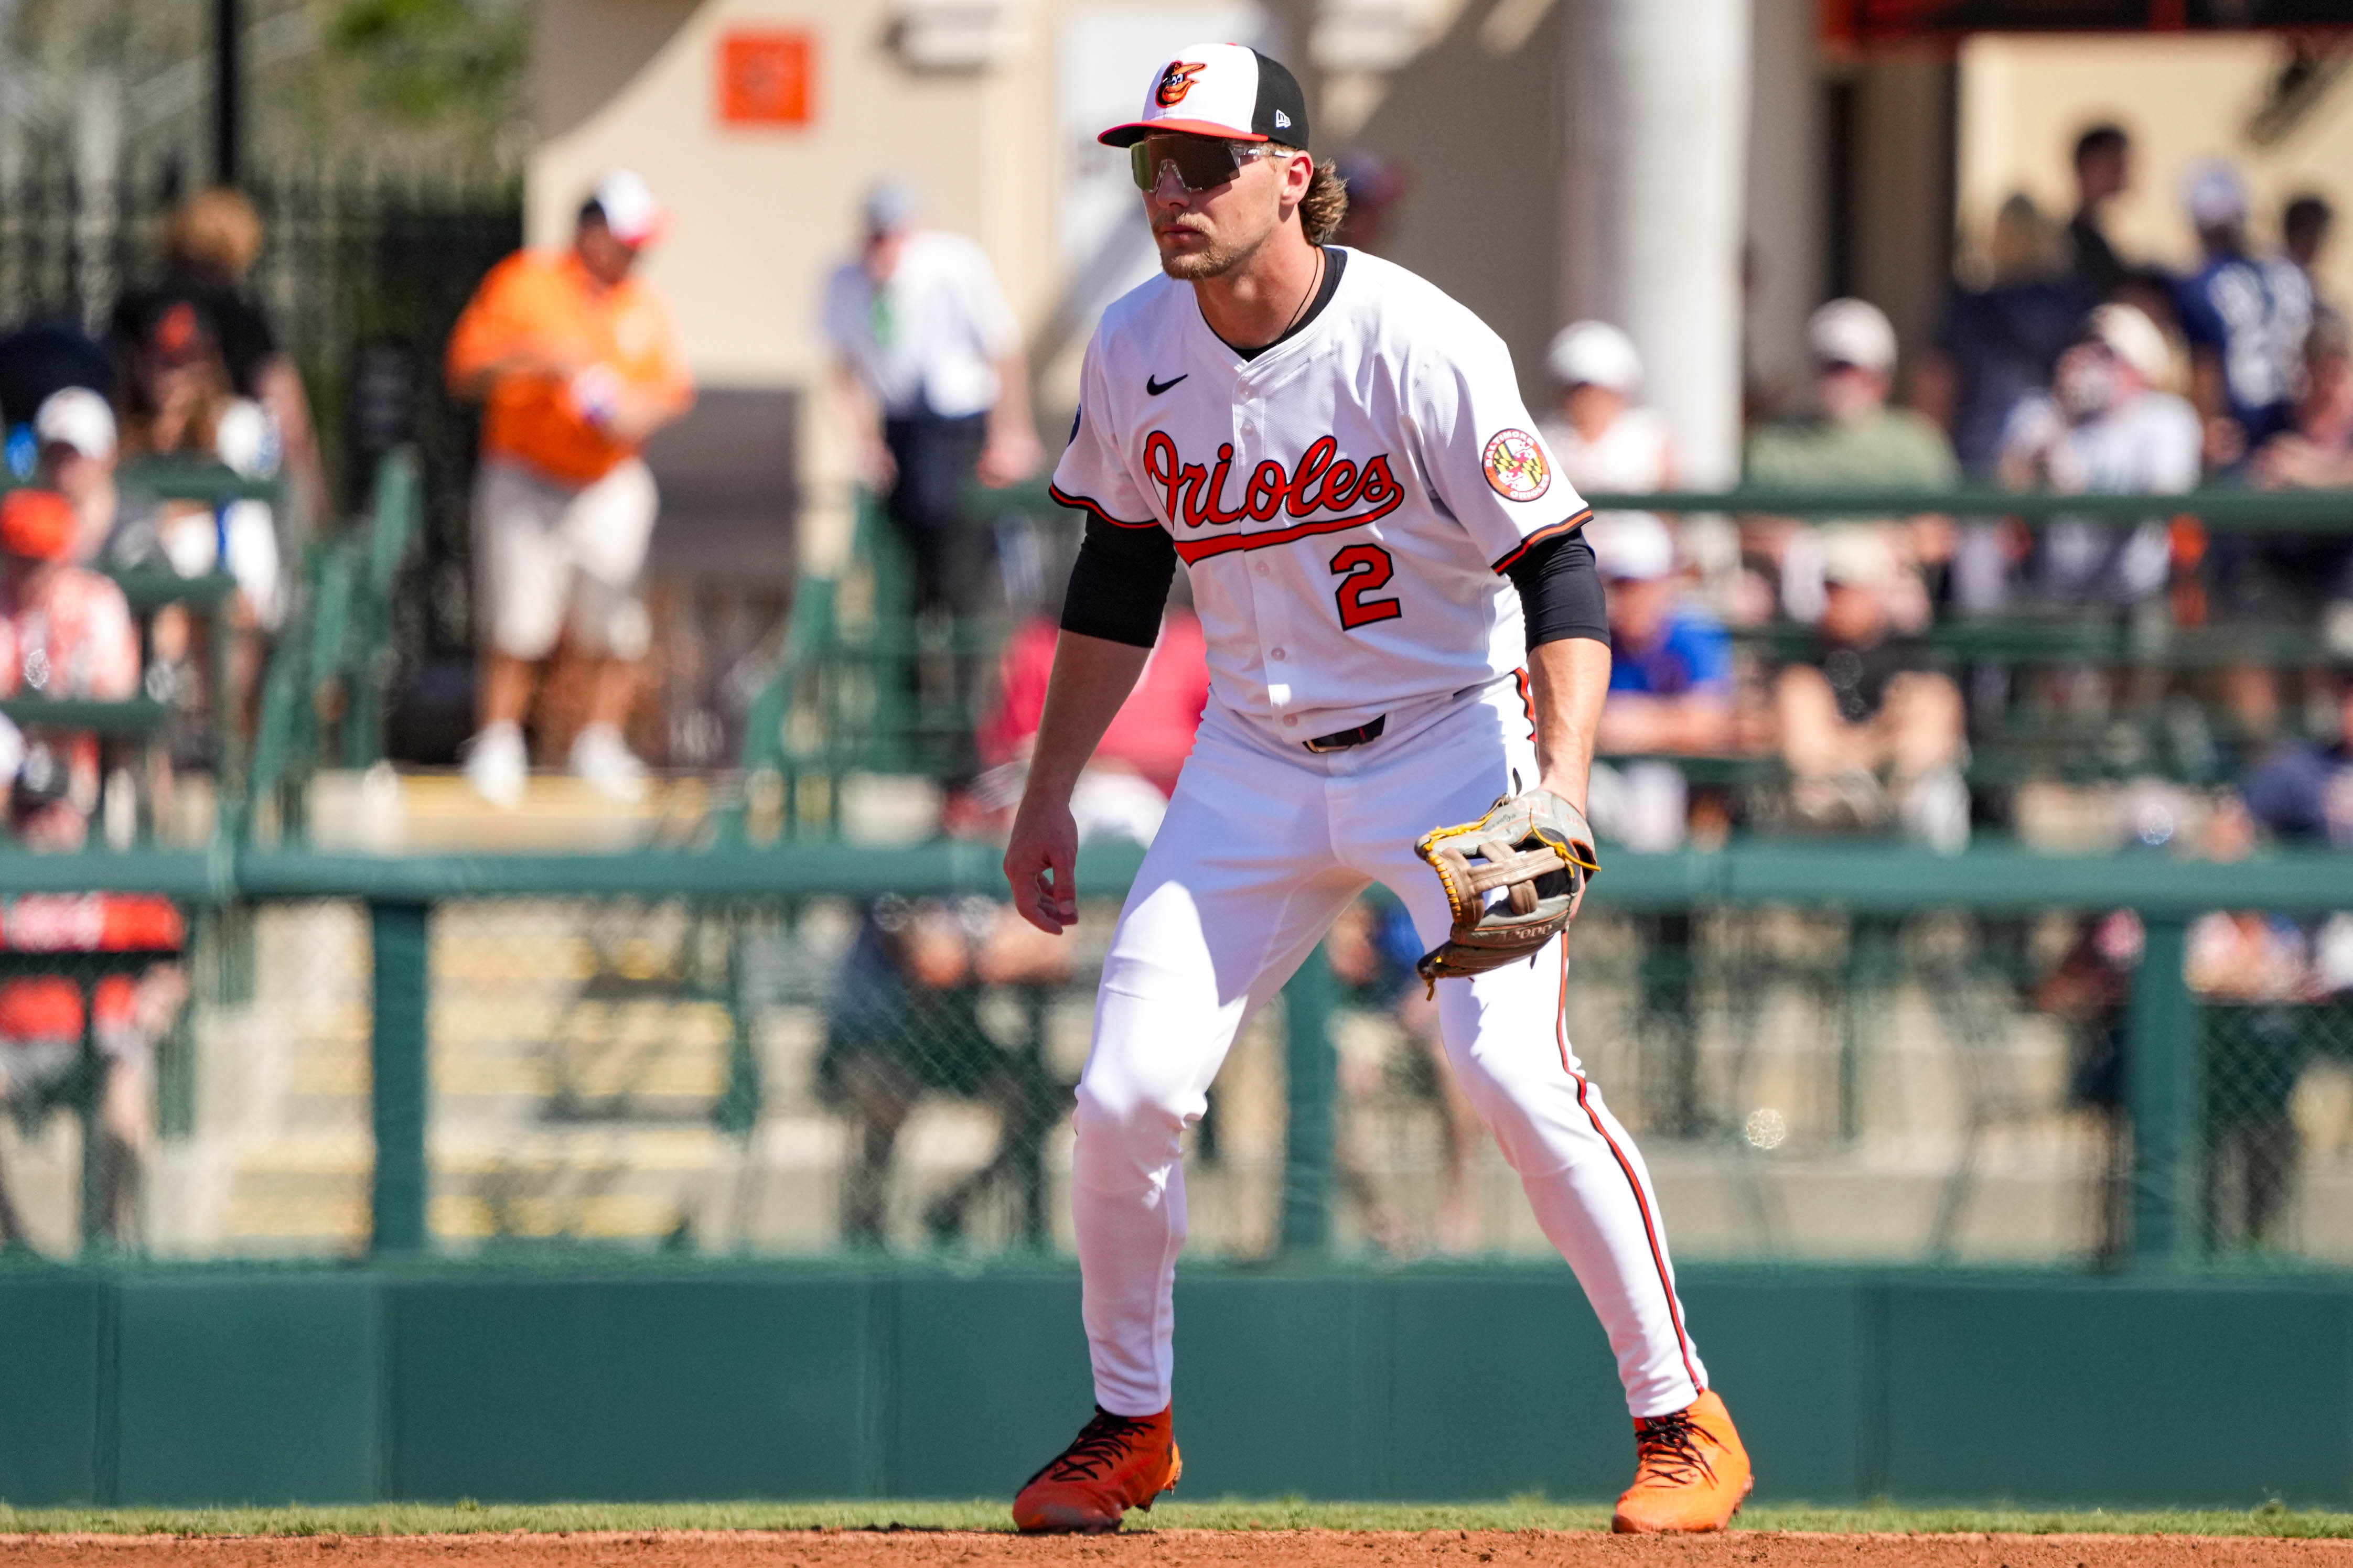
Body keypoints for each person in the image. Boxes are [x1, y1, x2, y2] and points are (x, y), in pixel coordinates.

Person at [1003, 44, 1748, 1536]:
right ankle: (1127, 1423)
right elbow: (1119, 568)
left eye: (1204, 163)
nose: (1171, 191)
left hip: (1449, 746)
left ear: (1291, 173)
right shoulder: (1134, 339)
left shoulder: (1417, 340)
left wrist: (1565, 778)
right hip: (1250, 762)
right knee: (1126, 1093)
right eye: (1153, 163)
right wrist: (1047, 790)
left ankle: (1682, 1416)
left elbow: (1560, 564)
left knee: (1507, 1067)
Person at [445, 170, 696, 807]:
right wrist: (538, 359)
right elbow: (466, 368)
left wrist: (634, 411)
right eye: (626, 240)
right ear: (590, 233)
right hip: (525, 474)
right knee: (519, 620)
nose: (637, 254)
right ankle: (499, 743)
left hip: (608, 477)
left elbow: (668, 390)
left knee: (615, 623)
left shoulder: (641, 304)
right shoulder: (526, 283)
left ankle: (598, 744)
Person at [0, 486, 185, 1247]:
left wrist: (155, 1004)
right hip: (15, 1040)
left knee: (124, 1103)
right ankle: (15, 1256)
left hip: (99, 1038)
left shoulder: (107, 858)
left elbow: (172, 959)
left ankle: (120, 1256)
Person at [821, 181, 1042, 617]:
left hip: (960, 425)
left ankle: (965, 662)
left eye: (892, 234)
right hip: (900, 426)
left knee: (963, 554)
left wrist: (1011, 432)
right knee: (905, 562)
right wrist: (865, 441)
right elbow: (844, 370)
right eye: (875, 235)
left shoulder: (953, 265)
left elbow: (1002, 349)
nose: (883, 246)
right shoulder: (847, 280)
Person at [110, 188, 327, 533]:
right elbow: (286, 412)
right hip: (213, 474)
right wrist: (313, 499)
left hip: (142, 472)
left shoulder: (135, 307)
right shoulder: (240, 315)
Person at [1744, 298, 1959, 624]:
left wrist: (1888, 547)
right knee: (1740, 601)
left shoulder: (1916, 442)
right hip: (1793, 588)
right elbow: (1745, 528)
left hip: (1886, 588)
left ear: (1880, 375)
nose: (1839, 380)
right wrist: (1801, 549)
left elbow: (1941, 535)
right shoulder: (1773, 443)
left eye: (1849, 367)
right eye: (1829, 366)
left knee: (1909, 610)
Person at [1769, 528, 1968, 850]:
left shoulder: (1914, 656)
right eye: (1830, 586)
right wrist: (1883, 737)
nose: (1838, 598)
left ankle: (1933, 896)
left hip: (1897, 797)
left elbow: (1925, 746)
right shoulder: (1804, 660)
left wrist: (1848, 748)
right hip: (1832, 795)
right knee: (1814, 798)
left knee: (1932, 793)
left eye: (1849, 587)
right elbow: (1807, 753)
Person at [1995, 303, 2201, 610]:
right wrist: (2063, 413)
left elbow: (2161, 497)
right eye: (2086, 349)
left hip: (2136, 598)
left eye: (2108, 354)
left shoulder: (2166, 417)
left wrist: (2081, 494)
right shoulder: (2044, 411)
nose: (2093, 363)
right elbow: (2005, 487)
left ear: (2141, 366)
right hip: (2056, 599)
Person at [1588, 512, 1733, 853]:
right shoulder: (1592, 636)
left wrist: (1626, 723)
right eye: (1614, 583)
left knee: (1651, 786)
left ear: (1664, 581)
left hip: (1670, 780)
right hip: (1598, 771)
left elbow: (1708, 724)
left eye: (1635, 583)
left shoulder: (1692, 633)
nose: (1626, 597)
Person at [1921, 194, 2094, 478]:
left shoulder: (1968, 308)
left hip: (1982, 460)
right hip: (2059, 463)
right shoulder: (2074, 304)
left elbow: (1936, 385)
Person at [2173, 159, 2310, 468]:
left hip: (2237, 442)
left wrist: (2207, 427)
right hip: (2299, 436)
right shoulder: (2290, 275)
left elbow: (2206, 367)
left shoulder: (2199, 285)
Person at [2066, 124, 2132, 301]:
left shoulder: (2100, 232)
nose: (2123, 171)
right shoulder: (2071, 242)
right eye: (2114, 163)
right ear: (2087, 165)